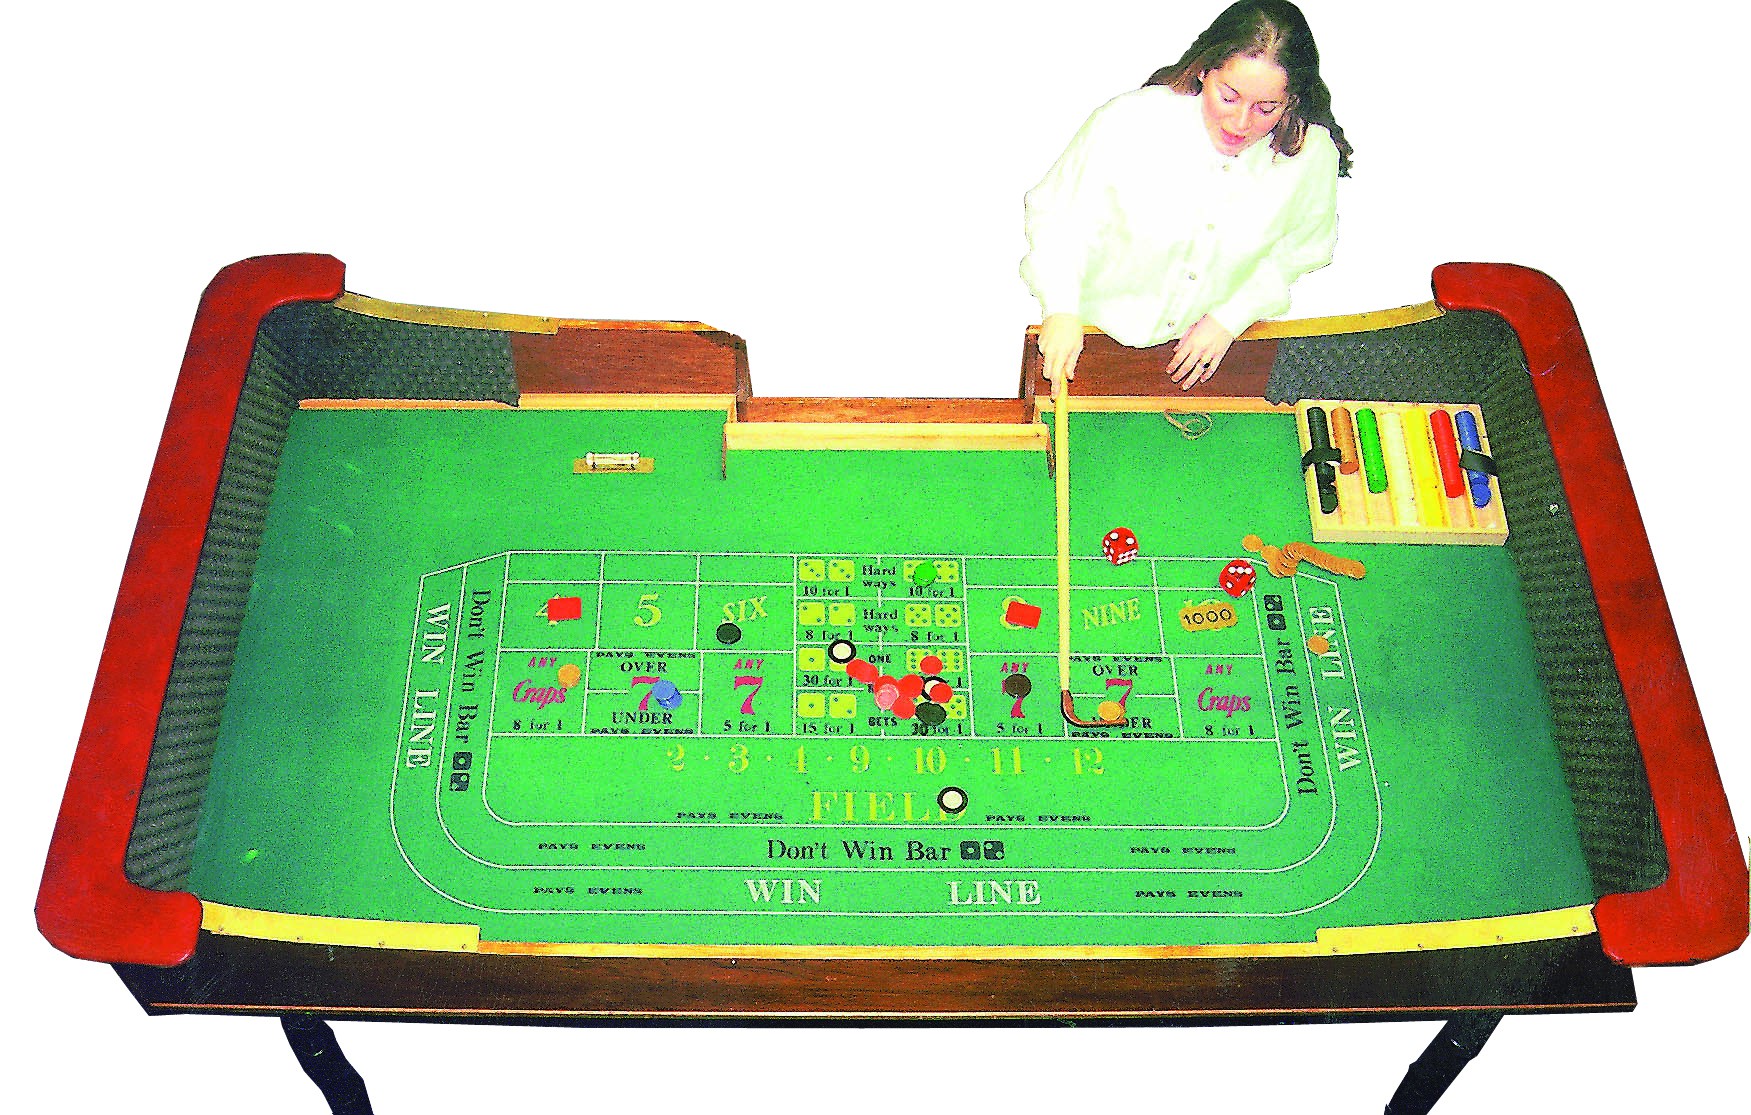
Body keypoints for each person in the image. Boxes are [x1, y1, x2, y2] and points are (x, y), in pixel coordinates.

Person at [1021, 1, 1354, 389]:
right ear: (1204, 69)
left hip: (1207, 359)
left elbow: (1300, 252)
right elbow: (1058, 219)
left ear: (1292, 99)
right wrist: (1060, 308)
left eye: (1266, 108)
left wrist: (1230, 318)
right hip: (1090, 339)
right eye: (1228, 97)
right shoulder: (1128, 122)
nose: (1240, 123)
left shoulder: (1312, 155)